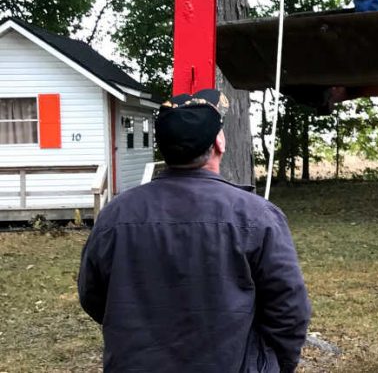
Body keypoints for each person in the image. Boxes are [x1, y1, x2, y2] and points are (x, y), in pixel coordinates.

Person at [78, 89, 311, 373]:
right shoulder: (257, 217)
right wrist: (274, 365)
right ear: (219, 142)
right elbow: (289, 311)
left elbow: (92, 294)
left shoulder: (115, 214)